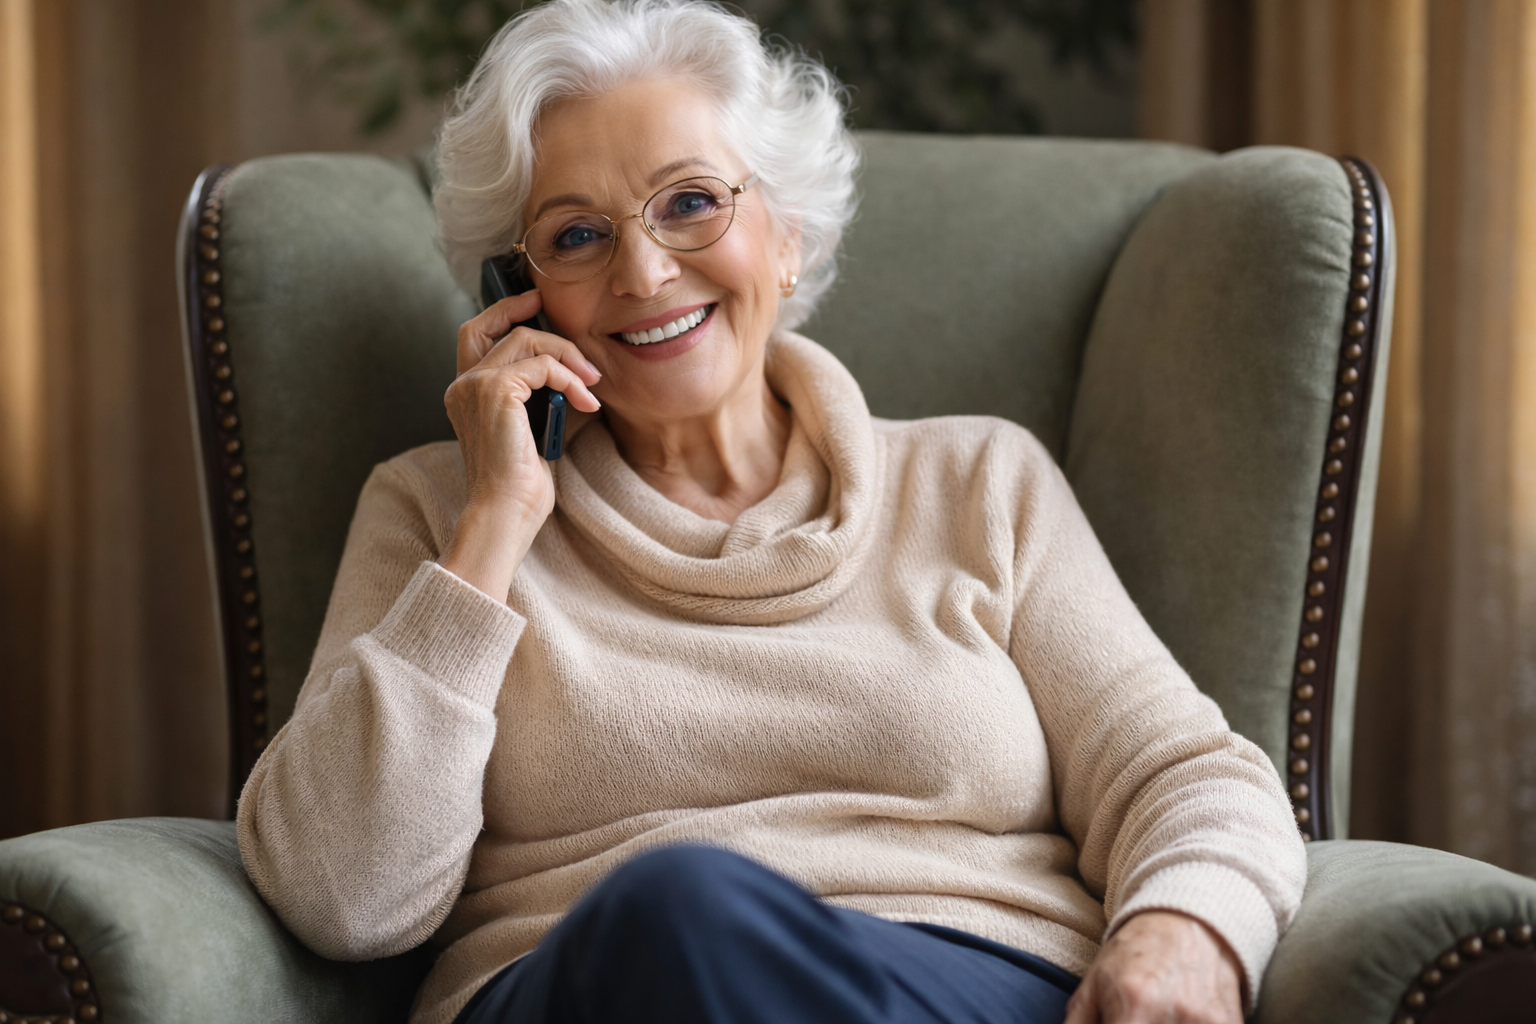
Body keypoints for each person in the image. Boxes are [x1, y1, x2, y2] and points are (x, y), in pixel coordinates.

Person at [236, 2, 1307, 1022]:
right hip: (595, 985)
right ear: (515, 293)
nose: (646, 271)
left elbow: (1187, 772)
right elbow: (343, 895)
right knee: (677, 912)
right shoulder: (435, 512)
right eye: (575, 237)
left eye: (692, 202)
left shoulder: (979, 481)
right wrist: (499, 520)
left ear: (787, 237)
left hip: (961, 984)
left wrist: (1182, 928)